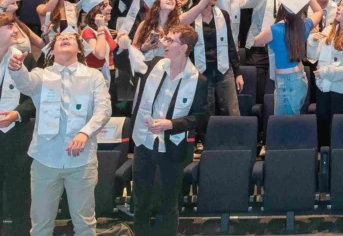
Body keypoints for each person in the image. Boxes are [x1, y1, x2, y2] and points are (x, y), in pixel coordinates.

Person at [8, 28, 112, 236]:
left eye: (71, 38)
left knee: (84, 223)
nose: (65, 38)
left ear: (80, 50)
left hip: (81, 162)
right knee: (40, 225)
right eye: (60, 39)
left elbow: (104, 109)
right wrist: (17, 69)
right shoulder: (41, 75)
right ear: (52, 51)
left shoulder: (94, 76)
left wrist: (85, 133)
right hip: (45, 159)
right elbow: (24, 83)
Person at [130, 25, 208, 236]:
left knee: (169, 202)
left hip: (172, 145)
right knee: (141, 200)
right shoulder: (154, 65)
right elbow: (127, 63)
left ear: (183, 47)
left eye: (170, 41)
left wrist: (172, 124)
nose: (165, 44)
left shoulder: (197, 80)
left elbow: (200, 117)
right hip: (145, 141)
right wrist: (140, 46)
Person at [253, 0, 324, 115]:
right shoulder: (304, 25)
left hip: (286, 82)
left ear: (281, 8)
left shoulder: (275, 29)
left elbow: (256, 41)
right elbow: (319, 11)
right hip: (299, 77)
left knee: (285, 125)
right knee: (291, 120)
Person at [307, 0, 343, 146]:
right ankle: (322, 157)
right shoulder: (329, 29)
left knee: (337, 127)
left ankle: (336, 159)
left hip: (341, 89)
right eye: (339, 5)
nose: (338, 8)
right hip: (322, 85)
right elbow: (313, 56)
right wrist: (312, 41)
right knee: (322, 124)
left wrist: (328, 71)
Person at [0, 13, 36, 236]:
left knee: (19, 196)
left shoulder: (25, 59)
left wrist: (16, 113)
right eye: (9, 26)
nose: (15, 30)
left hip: (16, 138)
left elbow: (35, 98)